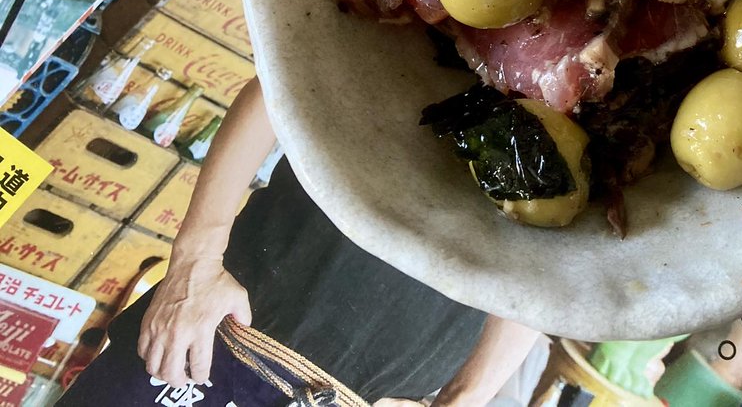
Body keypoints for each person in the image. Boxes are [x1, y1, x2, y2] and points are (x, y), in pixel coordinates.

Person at [54, 77, 539, 406]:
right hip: (394, 374)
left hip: (235, 325)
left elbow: (280, 85)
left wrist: (195, 262)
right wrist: (466, 397)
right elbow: (557, 268)